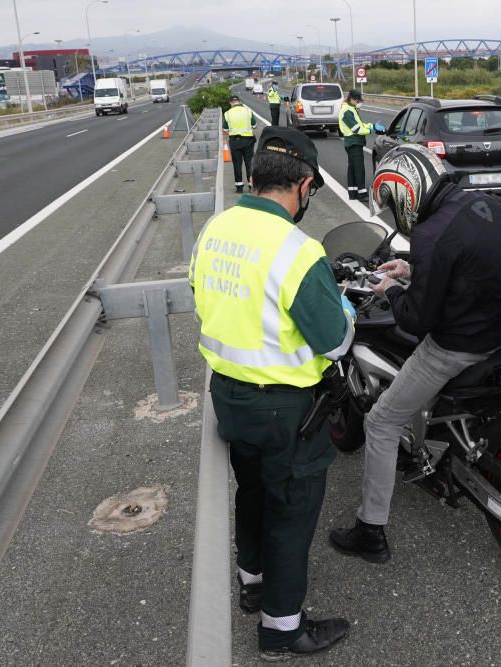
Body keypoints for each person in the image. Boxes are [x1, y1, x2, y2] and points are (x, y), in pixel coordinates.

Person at [188, 126, 356, 660]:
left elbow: (201, 296)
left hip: (229, 398)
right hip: (286, 409)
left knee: (254, 491)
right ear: (304, 184)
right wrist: (346, 310)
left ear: (256, 174)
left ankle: (251, 581)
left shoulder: (214, 229)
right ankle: (282, 630)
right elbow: (334, 341)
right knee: (292, 510)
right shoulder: (298, 250)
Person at [329, 144, 501, 563]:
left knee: (380, 423)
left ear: (406, 194)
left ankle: (370, 531)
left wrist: (391, 289)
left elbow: (416, 319)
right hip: (500, 331)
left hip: (455, 347)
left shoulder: (432, 234)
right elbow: (469, 267)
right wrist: (412, 269)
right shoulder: (485, 205)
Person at [337, 89, 385, 202]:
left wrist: (372, 126)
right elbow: (357, 129)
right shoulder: (347, 111)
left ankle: (353, 193)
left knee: (353, 168)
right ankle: (362, 193)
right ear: (352, 99)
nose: (359, 102)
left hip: (353, 142)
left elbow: (360, 124)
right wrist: (372, 131)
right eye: (357, 100)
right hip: (353, 142)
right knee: (359, 168)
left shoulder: (351, 109)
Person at [222, 94, 257, 194]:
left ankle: (239, 187)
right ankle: (251, 186)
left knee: (237, 164)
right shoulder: (248, 111)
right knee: (249, 163)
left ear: (230, 103)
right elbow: (254, 125)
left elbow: (225, 129)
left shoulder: (227, 114)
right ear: (240, 102)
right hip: (248, 141)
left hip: (235, 142)